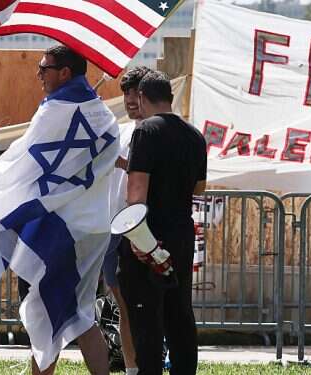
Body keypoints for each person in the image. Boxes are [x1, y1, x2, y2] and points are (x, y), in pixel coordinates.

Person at [28, 45, 111, 375]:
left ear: (65, 73)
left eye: (43, 68)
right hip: (91, 226)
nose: (39, 75)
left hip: (65, 227)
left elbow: (32, 162)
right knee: (79, 312)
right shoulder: (100, 112)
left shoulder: (55, 111)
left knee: (47, 311)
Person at [119, 71, 207, 375]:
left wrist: (137, 239)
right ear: (169, 97)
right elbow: (199, 188)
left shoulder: (145, 132)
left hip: (150, 236)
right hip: (181, 233)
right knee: (180, 314)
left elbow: (136, 191)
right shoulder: (195, 135)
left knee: (146, 319)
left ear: (142, 98)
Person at [103, 66, 153, 375]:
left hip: (141, 229)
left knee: (145, 308)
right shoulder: (120, 131)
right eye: (126, 92)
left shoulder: (155, 132)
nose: (131, 99)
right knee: (123, 307)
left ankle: (149, 365)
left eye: (136, 92)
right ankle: (133, 368)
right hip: (112, 229)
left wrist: (123, 163)